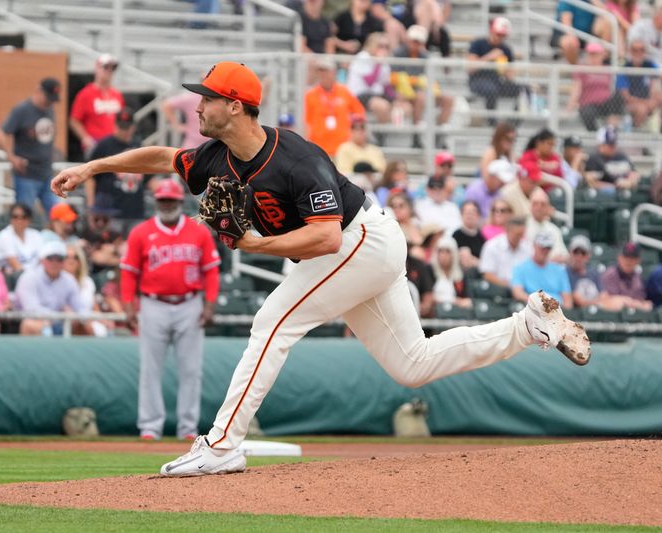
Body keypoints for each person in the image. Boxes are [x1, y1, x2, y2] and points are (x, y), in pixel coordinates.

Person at [51, 61, 591, 477]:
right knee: (412, 364)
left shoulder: (296, 159)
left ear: (235, 107)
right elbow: (162, 157)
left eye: (207, 97)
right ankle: (528, 327)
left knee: (273, 322)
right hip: (350, 252)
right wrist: (92, 166)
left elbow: (327, 236)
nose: (198, 105)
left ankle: (221, 445)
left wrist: (256, 245)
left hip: (361, 241)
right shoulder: (216, 155)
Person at [120, 179, 220, 440]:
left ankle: (187, 427)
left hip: (190, 303)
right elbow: (129, 273)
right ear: (156, 202)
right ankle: (150, 426)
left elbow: (211, 272)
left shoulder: (198, 231)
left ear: (180, 202)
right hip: (153, 304)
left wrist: (209, 305)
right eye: (162, 200)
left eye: (171, 200)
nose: (167, 205)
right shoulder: (140, 232)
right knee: (150, 369)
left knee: (191, 370)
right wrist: (129, 306)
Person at [0, 77, 61, 216]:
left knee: (59, 214)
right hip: (27, 174)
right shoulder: (22, 110)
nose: (49, 102)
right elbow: (1, 134)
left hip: (46, 172)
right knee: (23, 216)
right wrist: (12, 157)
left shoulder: (50, 110)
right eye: (47, 98)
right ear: (38, 91)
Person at [86, 107, 148, 231]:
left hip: (135, 209)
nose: (123, 131)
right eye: (121, 127)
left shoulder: (138, 145)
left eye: (126, 127)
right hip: (110, 211)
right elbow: (90, 177)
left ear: (133, 127)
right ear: (115, 125)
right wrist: (91, 206)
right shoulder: (104, 145)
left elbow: (148, 175)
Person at [392, 24, 454, 148]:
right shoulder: (399, 53)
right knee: (420, 97)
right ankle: (416, 137)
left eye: (419, 42)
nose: (416, 44)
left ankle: (438, 136)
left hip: (422, 91)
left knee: (448, 99)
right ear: (408, 40)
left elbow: (430, 80)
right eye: (414, 41)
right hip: (405, 93)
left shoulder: (425, 56)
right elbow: (396, 79)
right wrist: (414, 82)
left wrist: (426, 86)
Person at [14, 240, 90, 336]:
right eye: (50, 258)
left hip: (58, 321)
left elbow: (80, 307)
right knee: (31, 324)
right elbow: (31, 309)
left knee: (84, 326)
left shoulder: (69, 279)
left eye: (59, 259)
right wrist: (61, 316)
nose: (55, 262)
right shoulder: (29, 277)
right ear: (42, 260)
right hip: (30, 321)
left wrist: (80, 318)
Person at [304, 57, 366, 156]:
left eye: (326, 71)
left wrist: (352, 130)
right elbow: (306, 122)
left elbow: (360, 113)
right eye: (320, 71)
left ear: (334, 72)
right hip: (318, 148)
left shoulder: (344, 92)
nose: (323, 74)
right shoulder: (310, 95)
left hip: (342, 149)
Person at [468, 17, 522, 122]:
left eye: (503, 35)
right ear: (491, 31)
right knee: (491, 90)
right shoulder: (478, 44)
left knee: (524, 91)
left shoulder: (506, 49)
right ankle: (492, 122)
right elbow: (471, 68)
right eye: (498, 34)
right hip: (477, 81)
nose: (500, 38)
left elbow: (510, 76)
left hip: (498, 82)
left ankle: (513, 123)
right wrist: (489, 57)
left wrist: (505, 69)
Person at [70, 54, 125, 156]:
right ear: (97, 68)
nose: (109, 71)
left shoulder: (117, 94)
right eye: (105, 67)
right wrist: (85, 138)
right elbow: (74, 120)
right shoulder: (86, 94)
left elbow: (121, 120)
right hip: (96, 145)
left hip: (115, 144)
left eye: (112, 68)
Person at [567, 42, 623, 132]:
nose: (593, 57)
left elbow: (612, 87)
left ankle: (612, 130)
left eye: (596, 54)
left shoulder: (607, 69)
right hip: (589, 104)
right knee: (587, 113)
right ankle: (596, 134)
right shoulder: (581, 69)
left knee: (617, 96)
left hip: (605, 103)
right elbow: (577, 88)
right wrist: (570, 105)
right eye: (591, 54)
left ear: (601, 56)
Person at [346, 32, 398, 125]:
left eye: (386, 46)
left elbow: (386, 85)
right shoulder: (363, 56)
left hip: (376, 94)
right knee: (382, 106)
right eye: (380, 46)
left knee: (404, 107)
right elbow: (369, 82)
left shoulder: (384, 61)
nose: (384, 49)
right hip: (360, 95)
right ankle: (383, 137)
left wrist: (395, 100)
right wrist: (378, 63)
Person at [511, 232, 573, 308]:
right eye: (542, 247)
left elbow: (568, 300)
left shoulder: (559, 270)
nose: (545, 250)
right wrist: (541, 304)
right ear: (534, 245)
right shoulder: (520, 268)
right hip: (532, 309)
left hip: (557, 310)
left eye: (548, 247)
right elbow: (518, 293)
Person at [566, 234, 624, 311]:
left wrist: (601, 303)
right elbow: (580, 301)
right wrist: (600, 303)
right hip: (580, 315)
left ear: (588, 255)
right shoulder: (566, 273)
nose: (579, 257)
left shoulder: (593, 273)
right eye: (576, 252)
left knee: (618, 302)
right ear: (570, 253)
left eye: (583, 253)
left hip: (599, 311)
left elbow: (604, 295)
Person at [63, 243, 109, 337]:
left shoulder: (87, 282)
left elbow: (94, 306)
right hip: (68, 322)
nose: (71, 260)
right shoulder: (58, 281)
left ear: (80, 262)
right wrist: (84, 321)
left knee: (105, 330)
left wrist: (103, 320)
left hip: (89, 320)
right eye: (66, 257)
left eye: (75, 257)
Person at [617, 39, 662, 129]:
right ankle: (637, 132)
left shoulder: (649, 65)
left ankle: (659, 133)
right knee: (642, 109)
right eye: (635, 50)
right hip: (631, 104)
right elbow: (626, 97)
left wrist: (655, 98)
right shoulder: (625, 68)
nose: (638, 52)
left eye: (641, 49)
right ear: (630, 51)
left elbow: (660, 76)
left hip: (649, 102)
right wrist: (646, 103)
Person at [479, 216, 532, 287]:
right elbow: (487, 274)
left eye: (522, 235)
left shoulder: (527, 246)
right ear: (507, 231)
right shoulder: (492, 246)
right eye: (517, 235)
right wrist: (509, 286)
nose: (520, 238)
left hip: (523, 288)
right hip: (499, 289)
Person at [584, 126, 640, 191]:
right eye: (610, 145)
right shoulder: (593, 159)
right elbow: (590, 181)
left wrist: (629, 182)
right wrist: (614, 187)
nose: (613, 147)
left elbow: (634, 173)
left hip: (623, 192)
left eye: (614, 144)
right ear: (600, 145)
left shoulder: (621, 156)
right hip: (604, 196)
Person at [600, 242, 653, 310]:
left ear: (638, 260)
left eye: (632, 257)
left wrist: (629, 302)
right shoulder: (610, 275)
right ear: (619, 257)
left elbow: (644, 303)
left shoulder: (638, 277)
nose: (628, 261)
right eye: (626, 257)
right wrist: (634, 303)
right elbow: (609, 301)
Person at [0, 203, 44, 273]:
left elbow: (42, 259)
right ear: (10, 218)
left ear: (29, 219)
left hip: (34, 275)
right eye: (15, 216)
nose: (19, 220)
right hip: (13, 277)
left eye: (23, 217)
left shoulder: (36, 235)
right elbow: (15, 265)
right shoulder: (4, 236)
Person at [523, 188, 568, 263]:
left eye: (543, 204)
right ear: (530, 207)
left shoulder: (554, 229)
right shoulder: (522, 227)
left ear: (548, 207)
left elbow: (564, 256)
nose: (539, 207)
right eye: (535, 204)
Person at [552, 0, 601, 64]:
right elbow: (566, 21)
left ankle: (600, 67)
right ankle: (576, 70)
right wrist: (572, 36)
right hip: (566, 34)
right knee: (569, 42)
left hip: (588, 35)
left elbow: (607, 14)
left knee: (597, 45)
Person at [431, 236, 471, 308]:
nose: (444, 255)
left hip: (456, 313)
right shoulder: (429, 270)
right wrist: (454, 301)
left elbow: (467, 299)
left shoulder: (461, 274)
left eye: (448, 252)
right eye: (441, 251)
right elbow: (429, 297)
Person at [452, 201, 485, 271]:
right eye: (467, 213)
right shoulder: (456, 235)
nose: (470, 216)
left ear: (478, 216)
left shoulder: (481, 236)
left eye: (473, 213)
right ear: (461, 215)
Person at [626, 0, 662, 65]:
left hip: (657, 66)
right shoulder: (640, 26)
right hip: (638, 64)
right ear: (657, 15)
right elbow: (633, 45)